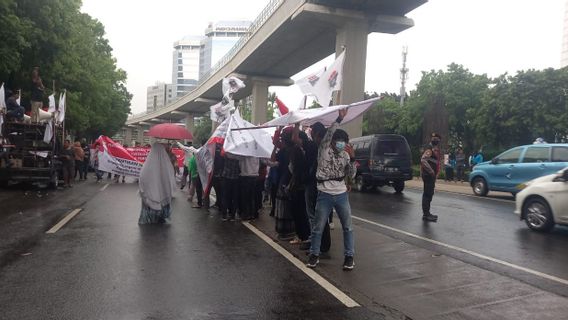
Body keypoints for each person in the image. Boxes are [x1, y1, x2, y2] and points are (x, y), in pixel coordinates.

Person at [307, 109, 357, 271]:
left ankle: (349, 257)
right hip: (325, 193)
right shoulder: (324, 149)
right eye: (338, 140)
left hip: (341, 193)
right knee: (318, 227)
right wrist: (339, 118)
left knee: (347, 227)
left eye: (344, 141)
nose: (341, 143)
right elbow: (329, 133)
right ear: (333, 141)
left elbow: (352, 175)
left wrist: (353, 159)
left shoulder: (346, 155)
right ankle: (314, 254)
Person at [303, 121, 331, 252]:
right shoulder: (325, 149)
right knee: (319, 217)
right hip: (321, 186)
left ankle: (319, 246)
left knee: (316, 216)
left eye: (313, 133)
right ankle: (319, 244)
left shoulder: (318, 148)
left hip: (316, 186)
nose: (312, 136)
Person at [138, 142, 176, 224]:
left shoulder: (148, 164)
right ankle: (160, 217)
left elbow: (142, 177)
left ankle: (149, 218)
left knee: (149, 204)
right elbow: (170, 176)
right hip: (162, 192)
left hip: (150, 193)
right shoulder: (166, 164)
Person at [421, 133, 442, 222]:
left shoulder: (434, 150)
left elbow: (435, 162)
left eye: (437, 138)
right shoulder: (429, 149)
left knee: (429, 194)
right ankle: (426, 215)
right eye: (434, 138)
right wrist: (431, 171)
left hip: (431, 176)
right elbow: (423, 160)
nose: (435, 140)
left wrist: (436, 172)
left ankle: (427, 213)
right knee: (427, 194)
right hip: (428, 175)